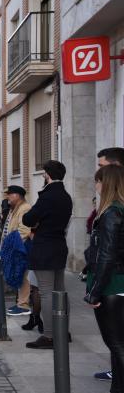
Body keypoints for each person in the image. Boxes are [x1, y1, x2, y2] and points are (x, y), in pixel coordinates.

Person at [22, 161, 73, 349]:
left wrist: (36, 222)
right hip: (59, 245)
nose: (43, 176)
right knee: (60, 291)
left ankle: (50, 336)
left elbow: (28, 219)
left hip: (45, 247)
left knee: (46, 292)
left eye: (44, 173)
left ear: (48, 174)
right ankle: (63, 331)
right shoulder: (66, 196)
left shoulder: (48, 196)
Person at [85, 164, 124, 393]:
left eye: (98, 181)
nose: (96, 186)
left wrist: (95, 292)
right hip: (117, 283)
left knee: (117, 344)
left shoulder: (111, 213)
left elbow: (107, 255)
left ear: (106, 183)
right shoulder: (117, 210)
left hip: (112, 286)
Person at [1, 185, 32, 316]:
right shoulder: (14, 208)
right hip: (14, 247)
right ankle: (20, 302)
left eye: (10, 194)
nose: (7, 197)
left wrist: (10, 245)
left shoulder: (25, 208)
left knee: (24, 276)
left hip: (21, 248)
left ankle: (23, 305)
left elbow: (24, 231)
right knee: (19, 275)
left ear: (17, 195)